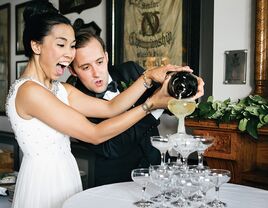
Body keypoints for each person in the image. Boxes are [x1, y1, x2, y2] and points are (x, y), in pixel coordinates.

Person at [5, 1, 204, 208]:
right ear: (36, 45)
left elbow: (111, 108)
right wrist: (150, 104)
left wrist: (151, 76)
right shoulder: (30, 91)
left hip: (66, 173)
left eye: (72, 46)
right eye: (61, 44)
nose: (69, 53)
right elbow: (95, 133)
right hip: (44, 181)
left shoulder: (60, 88)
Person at [67, 30, 204, 186]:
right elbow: (111, 148)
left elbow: (168, 101)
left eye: (99, 62)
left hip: (156, 169)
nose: (96, 73)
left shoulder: (130, 71)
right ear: (73, 71)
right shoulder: (74, 100)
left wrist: (190, 86)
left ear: (106, 57)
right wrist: (155, 107)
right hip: (115, 181)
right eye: (85, 67)